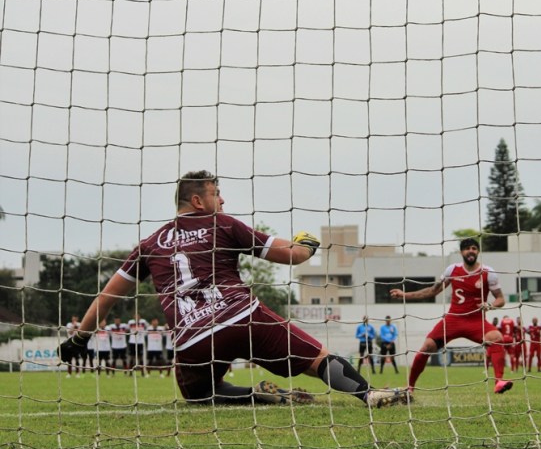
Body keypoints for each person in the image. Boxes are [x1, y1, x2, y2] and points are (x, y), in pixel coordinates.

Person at [58, 170, 408, 408]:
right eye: (216, 194)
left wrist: (79, 339)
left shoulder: (150, 244)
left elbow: (108, 296)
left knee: (198, 395)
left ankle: (256, 395)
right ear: (197, 201)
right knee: (317, 360)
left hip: (193, 337)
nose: (222, 201)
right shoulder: (222, 225)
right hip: (242, 316)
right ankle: (369, 394)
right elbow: (294, 256)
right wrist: (309, 242)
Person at [390, 237, 513, 395]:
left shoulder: (488, 273)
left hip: (476, 321)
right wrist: (404, 294)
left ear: (478, 252)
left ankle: (498, 382)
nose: (471, 251)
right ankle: (410, 387)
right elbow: (432, 291)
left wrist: (490, 305)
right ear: (461, 252)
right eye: (467, 248)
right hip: (453, 320)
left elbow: (501, 299)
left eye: (474, 248)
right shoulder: (452, 270)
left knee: (496, 337)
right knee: (426, 348)